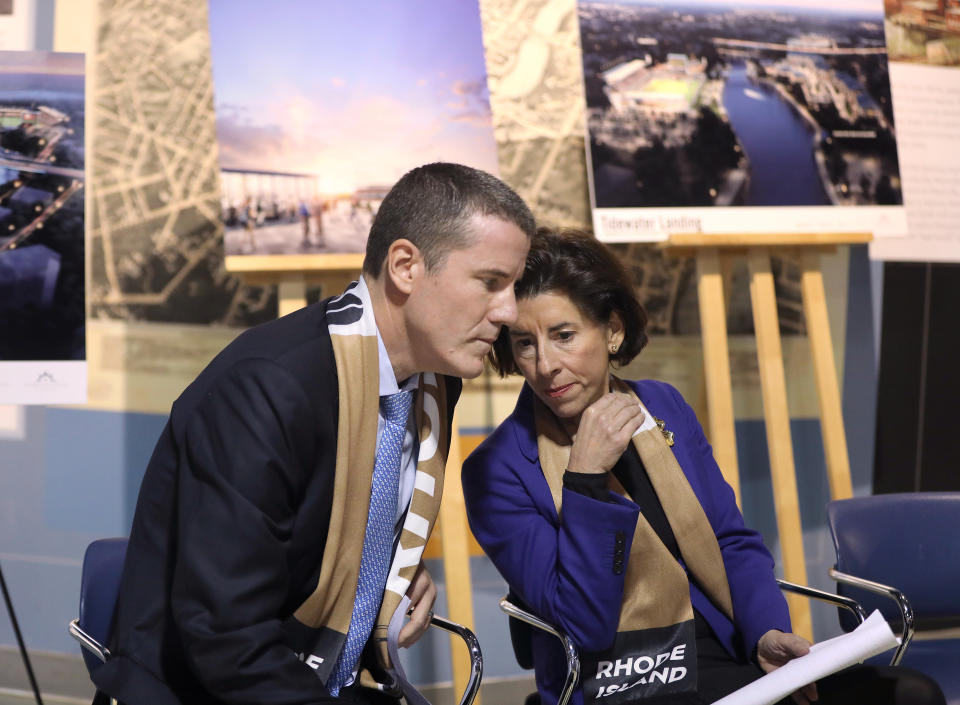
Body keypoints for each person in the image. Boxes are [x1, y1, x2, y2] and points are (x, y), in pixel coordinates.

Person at [92, 163, 535, 705]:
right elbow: (228, 640)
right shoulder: (268, 388)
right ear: (405, 266)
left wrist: (389, 582)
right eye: (491, 282)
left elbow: (334, 533)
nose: (509, 312)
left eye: (513, 287)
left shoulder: (434, 381)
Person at [462, 228, 944, 705]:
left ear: (612, 330)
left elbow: (730, 540)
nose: (546, 364)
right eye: (525, 343)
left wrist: (766, 632)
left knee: (910, 693)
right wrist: (585, 482)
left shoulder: (662, 406)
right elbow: (582, 624)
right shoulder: (496, 470)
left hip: (728, 658)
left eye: (564, 336)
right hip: (619, 680)